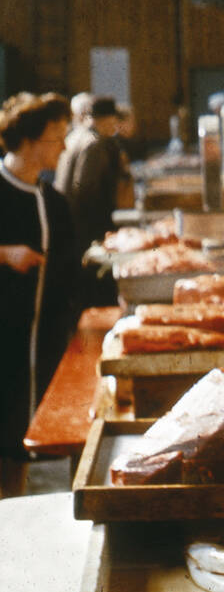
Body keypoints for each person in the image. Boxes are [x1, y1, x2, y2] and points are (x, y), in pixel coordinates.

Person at [0, 93, 75, 497]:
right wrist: (4, 254)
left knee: (19, 448)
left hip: (39, 346)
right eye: (56, 137)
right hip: (4, 345)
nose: (63, 146)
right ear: (28, 141)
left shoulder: (54, 202)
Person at [54, 95, 128, 262]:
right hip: (83, 224)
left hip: (65, 217)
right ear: (107, 120)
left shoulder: (74, 136)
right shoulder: (94, 143)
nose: (115, 128)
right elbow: (85, 189)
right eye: (114, 122)